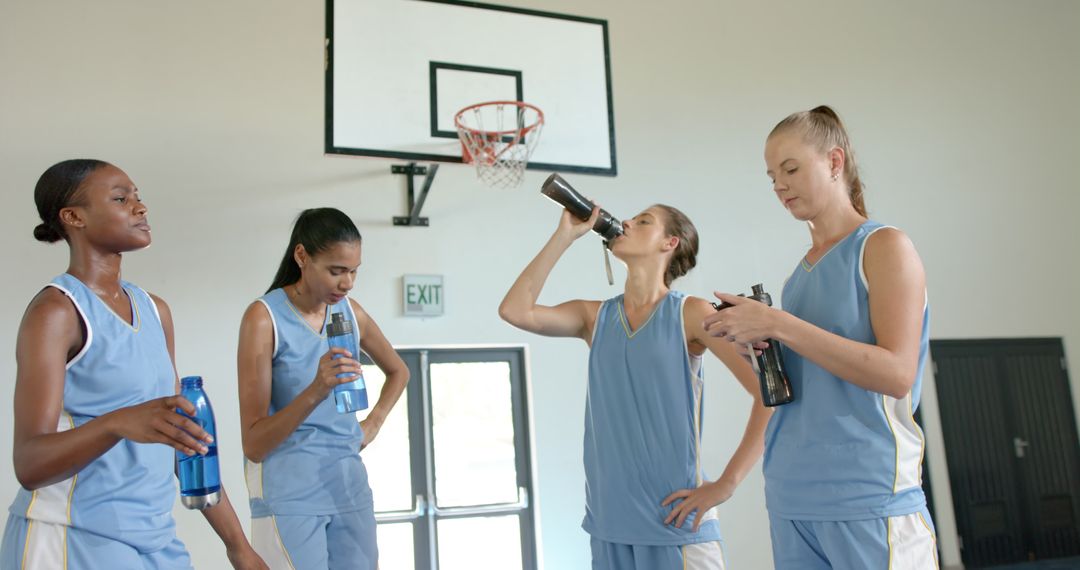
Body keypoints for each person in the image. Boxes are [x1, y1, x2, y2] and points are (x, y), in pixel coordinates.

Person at [0, 159, 265, 569]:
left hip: (155, 539)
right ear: (74, 218)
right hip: (71, 537)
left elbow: (184, 440)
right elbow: (30, 464)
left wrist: (238, 546)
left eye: (139, 198)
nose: (140, 208)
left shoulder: (155, 310)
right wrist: (115, 422)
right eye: (122, 199)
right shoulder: (57, 312)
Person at [705, 105, 938, 569]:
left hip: (868, 497)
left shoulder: (884, 246)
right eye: (771, 176)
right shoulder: (799, 277)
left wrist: (777, 324)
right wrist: (754, 348)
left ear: (835, 162)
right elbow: (810, 382)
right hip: (794, 498)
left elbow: (896, 374)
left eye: (790, 169)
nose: (779, 186)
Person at [500, 204, 771, 570]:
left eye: (644, 222)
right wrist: (565, 236)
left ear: (669, 243)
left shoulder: (691, 313)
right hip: (609, 526)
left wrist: (727, 483)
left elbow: (767, 394)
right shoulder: (594, 317)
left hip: (676, 526)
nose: (627, 222)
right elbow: (515, 311)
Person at [237, 208, 409, 570]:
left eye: (353, 271)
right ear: (302, 256)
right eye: (336, 270)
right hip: (289, 493)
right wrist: (317, 388)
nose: (347, 283)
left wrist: (372, 425)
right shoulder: (263, 318)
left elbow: (399, 372)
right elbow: (254, 444)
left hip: (348, 485)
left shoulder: (351, 313)